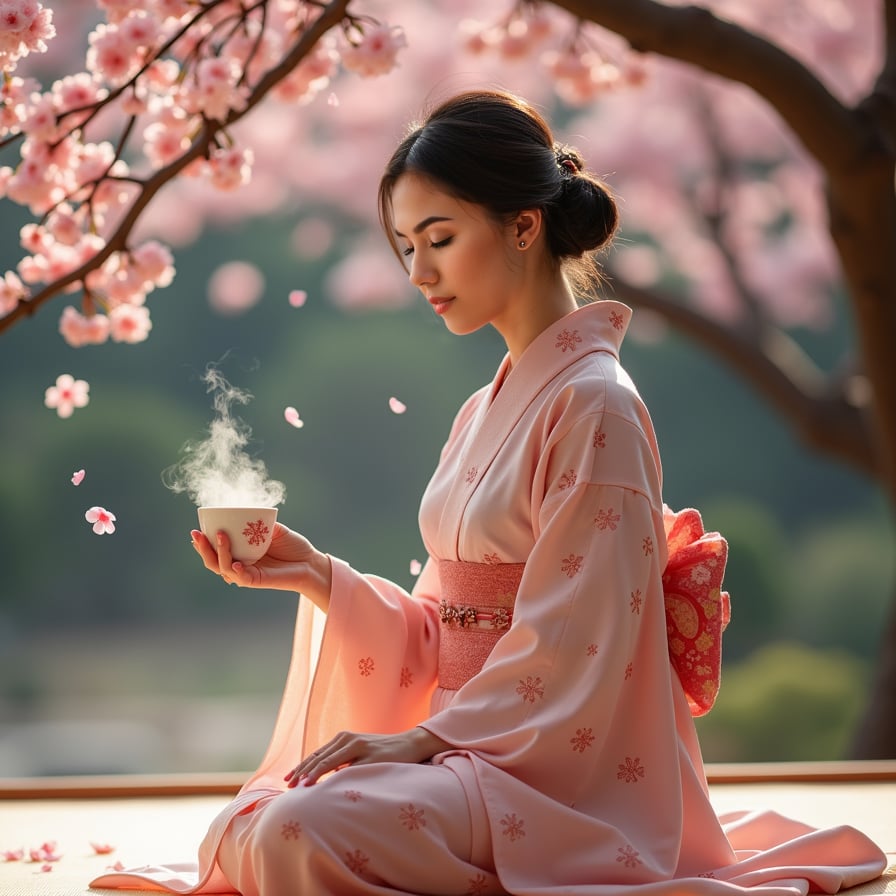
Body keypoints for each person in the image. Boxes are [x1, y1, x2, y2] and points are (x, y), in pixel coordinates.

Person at [91, 89, 887, 896]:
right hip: (471, 748)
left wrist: (426, 738)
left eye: (439, 238)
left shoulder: (596, 405)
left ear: (523, 226)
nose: (418, 271)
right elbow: (445, 630)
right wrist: (316, 574)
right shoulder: (484, 409)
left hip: (555, 772)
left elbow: (576, 648)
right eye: (405, 245)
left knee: (297, 830)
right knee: (258, 822)